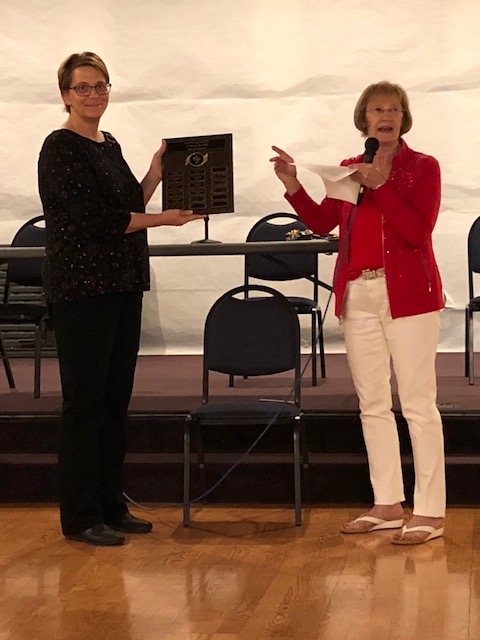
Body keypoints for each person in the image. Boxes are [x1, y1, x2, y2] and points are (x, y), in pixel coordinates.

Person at [38, 51, 205, 546]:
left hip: (121, 284)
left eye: (101, 85)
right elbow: (93, 220)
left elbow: (128, 204)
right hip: (82, 290)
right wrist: (163, 220)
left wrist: (156, 173)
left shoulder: (108, 143)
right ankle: (81, 515)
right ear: (65, 94)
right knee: (85, 404)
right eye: (83, 87)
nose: (94, 94)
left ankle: (111, 505)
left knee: (114, 403)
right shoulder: (60, 147)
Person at [271, 81, 445, 545]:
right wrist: (293, 187)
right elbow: (323, 222)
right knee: (372, 404)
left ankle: (429, 510)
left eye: (393, 109)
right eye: (376, 110)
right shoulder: (350, 169)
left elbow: (417, 231)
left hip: (407, 294)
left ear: (403, 118)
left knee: (417, 404)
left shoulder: (422, 167)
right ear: (364, 119)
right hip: (359, 293)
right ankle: (387, 502)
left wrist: (383, 187)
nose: (385, 116)